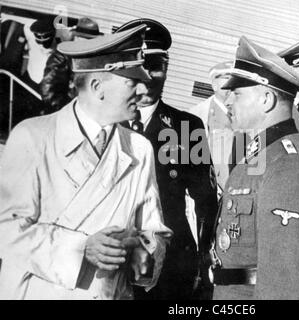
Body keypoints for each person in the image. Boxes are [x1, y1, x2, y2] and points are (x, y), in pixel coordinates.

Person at [0, 25, 172, 299]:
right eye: (132, 82)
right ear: (97, 87)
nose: (143, 89)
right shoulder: (33, 137)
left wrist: (142, 249)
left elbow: (155, 232)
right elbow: (6, 230)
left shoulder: (140, 150)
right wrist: (81, 249)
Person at [211, 35, 299, 300]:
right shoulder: (259, 154)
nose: (227, 102)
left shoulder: (289, 166)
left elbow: (286, 281)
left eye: (237, 94)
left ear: (266, 100)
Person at [115, 18, 219, 300]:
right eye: (140, 66)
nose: (148, 76)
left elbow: (205, 201)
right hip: (112, 256)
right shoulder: (108, 125)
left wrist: (202, 257)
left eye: (157, 66)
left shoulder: (187, 127)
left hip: (170, 265)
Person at [40, 17, 103, 114]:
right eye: (85, 38)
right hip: (68, 113)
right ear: (76, 37)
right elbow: (48, 91)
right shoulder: (62, 56)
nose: (89, 43)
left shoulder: (95, 57)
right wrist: (67, 112)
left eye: (92, 39)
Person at [191, 61, 234, 192]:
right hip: (210, 189)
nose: (232, 84)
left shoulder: (246, 110)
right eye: (227, 78)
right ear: (214, 85)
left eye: (235, 79)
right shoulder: (196, 114)